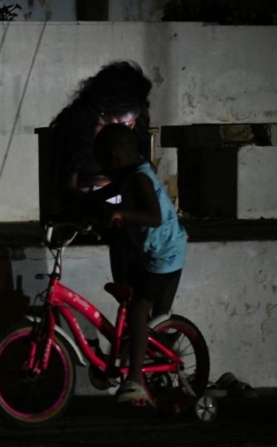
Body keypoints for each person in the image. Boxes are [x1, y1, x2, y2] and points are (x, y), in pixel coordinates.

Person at [88, 124, 187, 403]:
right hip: (154, 252)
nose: (101, 167)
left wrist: (121, 211)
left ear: (114, 156)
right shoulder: (130, 173)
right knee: (143, 316)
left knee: (138, 314)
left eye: (102, 160)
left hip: (164, 256)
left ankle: (134, 381)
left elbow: (153, 217)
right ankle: (129, 364)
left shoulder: (140, 178)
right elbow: (106, 194)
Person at [48, 60, 154, 285]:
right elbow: (66, 187)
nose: (124, 130)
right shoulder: (81, 130)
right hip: (89, 205)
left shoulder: (131, 131)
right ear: (101, 113)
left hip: (120, 202)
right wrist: (98, 203)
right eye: (117, 123)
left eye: (130, 124)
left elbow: (142, 175)